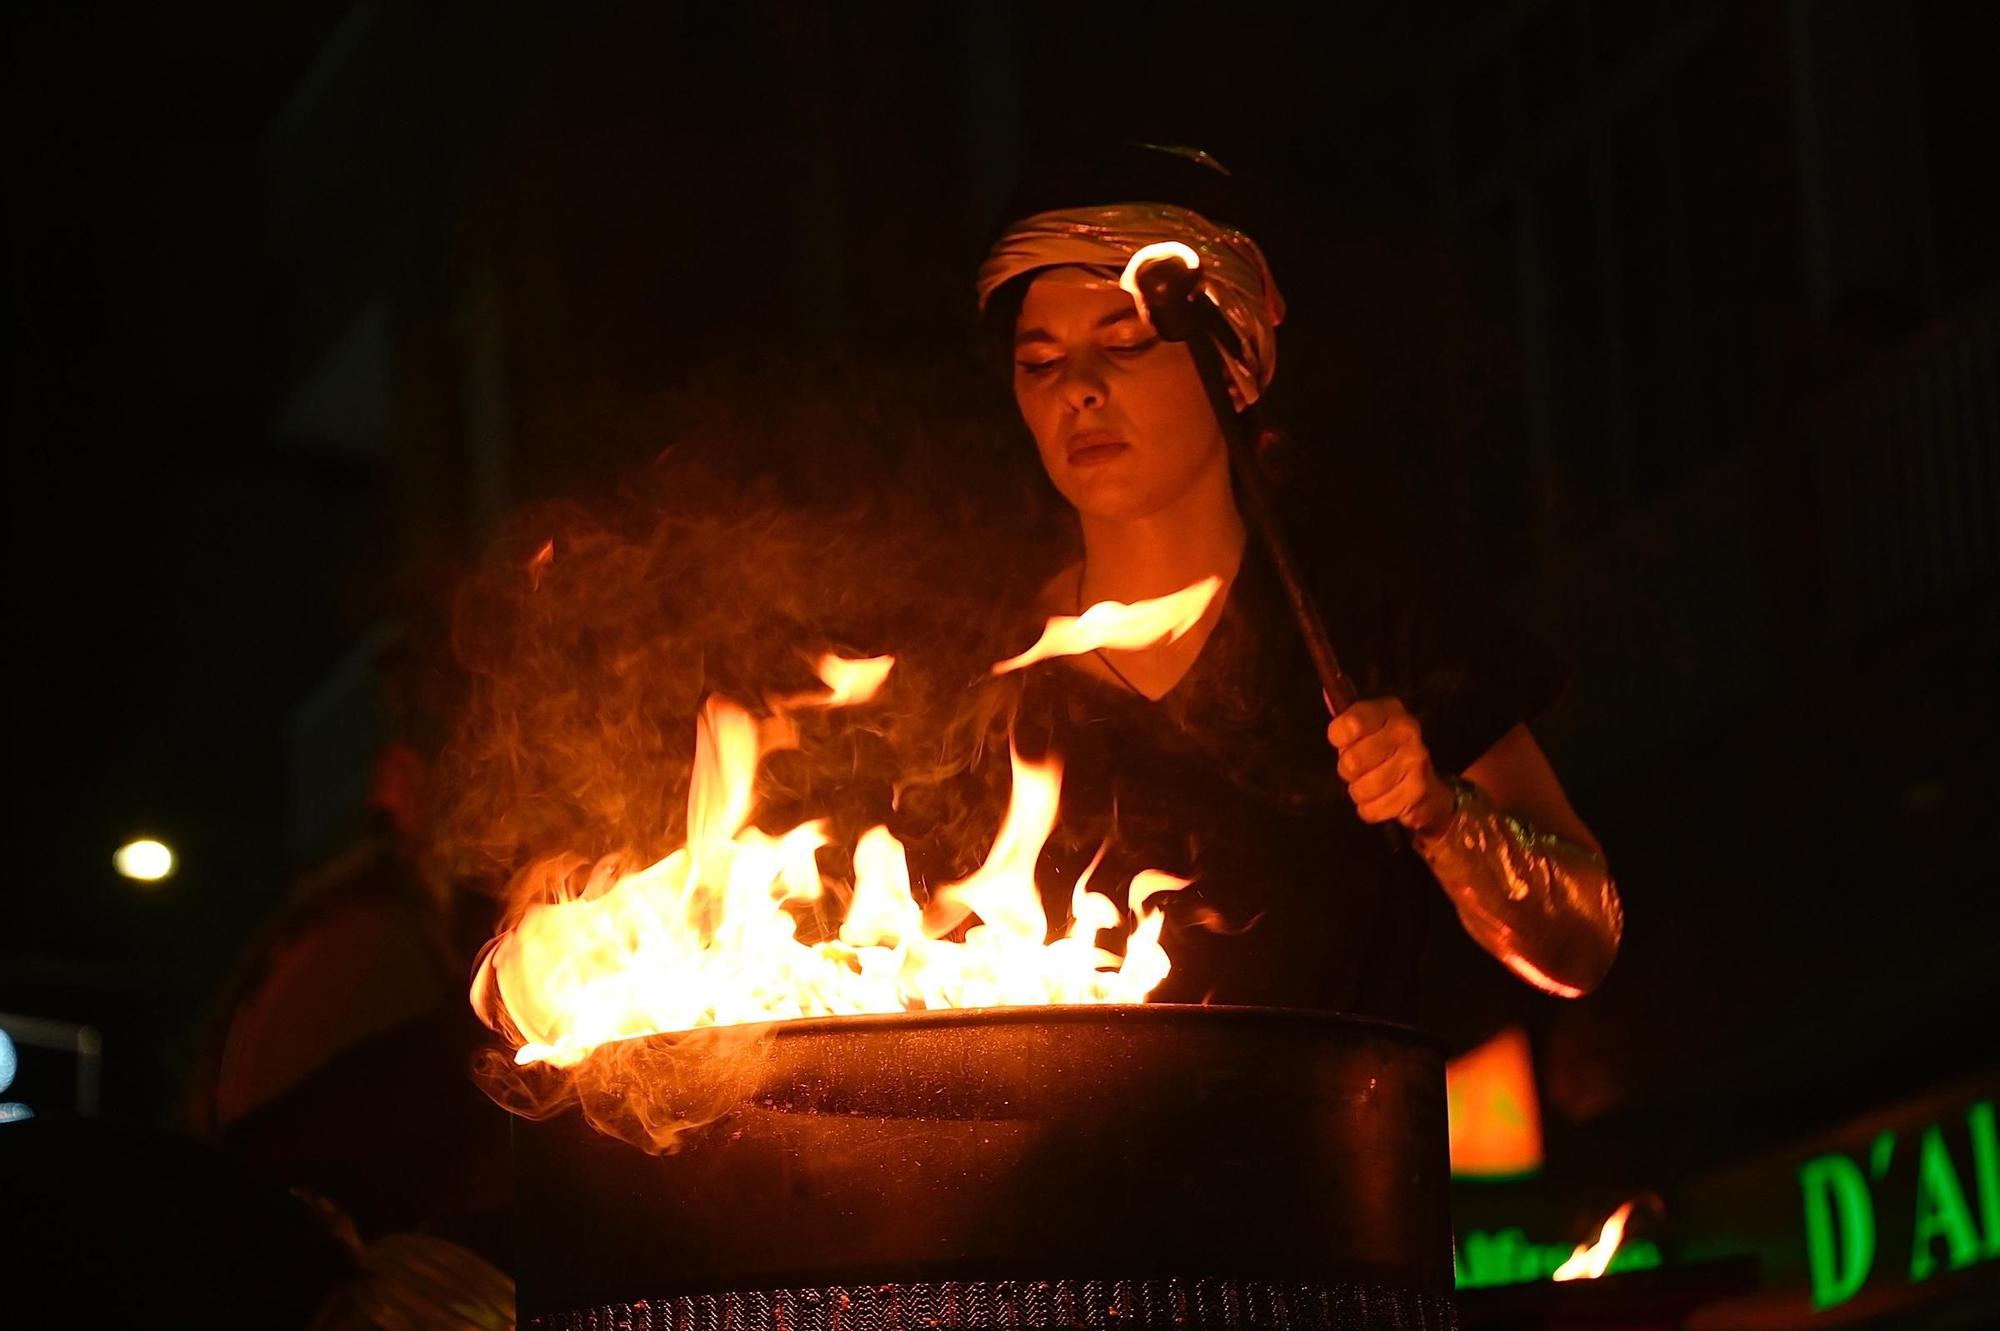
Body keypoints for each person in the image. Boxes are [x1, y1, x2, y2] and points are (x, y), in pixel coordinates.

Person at [968, 144, 1623, 1020]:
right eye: (1041, 363)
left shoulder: (1370, 621)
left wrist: (1438, 812)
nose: (1079, 389)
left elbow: (1583, 942)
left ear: (1232, 366)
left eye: (1125, 343)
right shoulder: (984, 682)